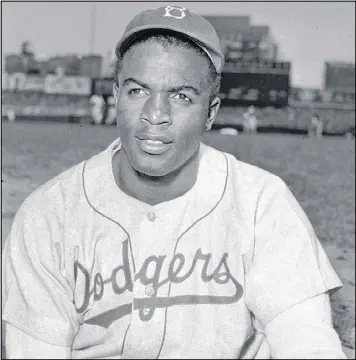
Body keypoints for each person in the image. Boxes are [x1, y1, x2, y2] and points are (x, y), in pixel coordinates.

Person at [2, 5, 347, 359]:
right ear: (116, 95)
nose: (155, 115)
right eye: (138, 91)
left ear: (210, 112)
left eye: (181, 96)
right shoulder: (49, 216)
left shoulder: (262, 204)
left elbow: (307, 341)